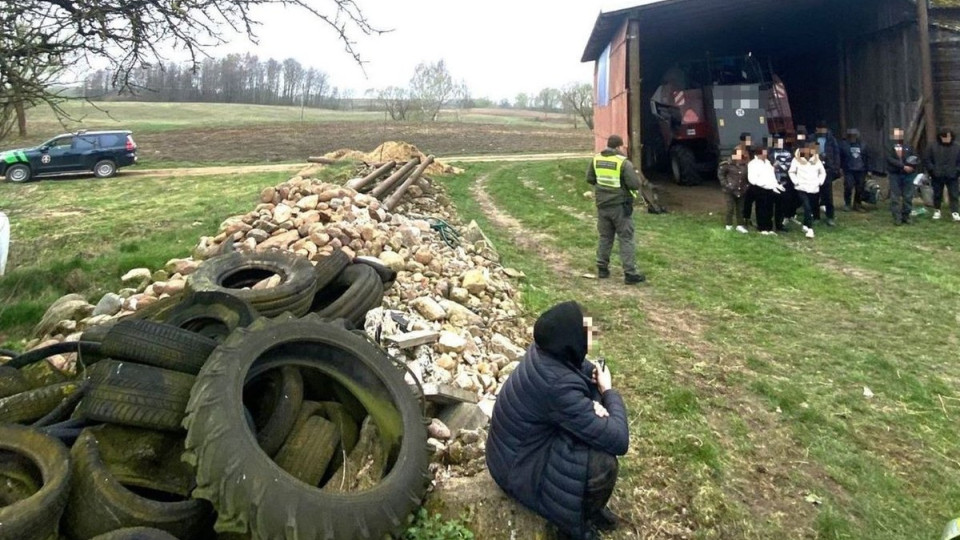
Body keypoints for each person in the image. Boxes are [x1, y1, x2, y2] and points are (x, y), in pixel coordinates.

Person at [487, 301, 629, 540]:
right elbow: (619, 440)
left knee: (590, 430)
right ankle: (577, 524)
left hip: (513, 450)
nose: (592, 337)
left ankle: (586, 510)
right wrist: (608, 393)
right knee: (603, 463)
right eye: (587, 332)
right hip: (518, 470)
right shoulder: (558, 385)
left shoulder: (545, 350)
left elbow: (580, 369)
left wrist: (590, 399)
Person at [586, 135, 645, 284]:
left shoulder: (596, 159)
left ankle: (602, 268)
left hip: (602, 206)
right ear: (619, 147)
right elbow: (633, 184)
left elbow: (590, 179)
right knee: (626, 238)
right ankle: (630, 273)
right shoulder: (623, 163)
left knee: (605, 237)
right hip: (620, 206)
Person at [789, 142, 827, 238]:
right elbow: (791, 172)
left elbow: (822, 173)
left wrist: (819, 182)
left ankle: (806, 224)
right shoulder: (796, 160)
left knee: (811, 208)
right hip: (801, 187)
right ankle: (810, 229)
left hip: (814, 188)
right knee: (807, 207)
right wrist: (796, 182)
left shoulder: (816, 160)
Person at [924, 127, 960, 221]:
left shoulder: (957, 147)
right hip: (937, 175)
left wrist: (957, 171)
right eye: (944, 137)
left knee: (954, 194)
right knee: (937, 194)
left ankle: (955, 212)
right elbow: (927, 159)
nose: (946, 139)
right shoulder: (932, 147)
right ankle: (937, 210)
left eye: (948, 137)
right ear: (940, 137)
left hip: (952, 175)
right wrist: (932, 170)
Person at [747, 146, 783, 235]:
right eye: (764, 153)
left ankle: (769, 227)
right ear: (759, 154)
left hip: (770, 188)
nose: (765, 155)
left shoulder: (767, 163)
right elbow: (752, 178)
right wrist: (762, 184)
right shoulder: (753, 163)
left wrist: (775, 185)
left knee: (769, 209)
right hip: (760, 188)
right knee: (761, 208)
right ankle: (762, 228)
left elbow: (771, 175)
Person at [887, 127, 917, 225]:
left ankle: (906, 216)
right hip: (895, 174)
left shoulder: (908, 146)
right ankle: (897, 218)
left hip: (908, 175)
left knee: (908, 196)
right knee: (895, 197)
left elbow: (915, 157)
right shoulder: (889, 146)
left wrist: (911, 166)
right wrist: (903, 166)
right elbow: (890, 159)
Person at [814, 121, 842, 226]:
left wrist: (835, 167)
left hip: (827, 169)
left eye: (823, 128)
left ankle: (830, 217)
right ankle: (816, 216)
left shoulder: (831, 139)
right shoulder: (812, 138)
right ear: (816, 129)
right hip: (814, 169)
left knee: (828, 195)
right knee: (815, 195)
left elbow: (836, 153)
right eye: (820, 128)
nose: (822, 131)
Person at [718, 147, 750, 233]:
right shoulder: (727, 164)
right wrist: (726, 185)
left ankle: (740, 225)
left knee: (740, 208)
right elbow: (721, 175)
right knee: (730, 207)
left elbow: (747, 176)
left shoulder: (745, 164)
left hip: (741, 190)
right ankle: (729, 224)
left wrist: (747, 186)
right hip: (730, 190)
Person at [770, 134, 795, 231]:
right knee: (768, 205)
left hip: (783, 183)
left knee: (780, 205)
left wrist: (778, 166)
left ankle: (779, 225)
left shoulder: (787, 153)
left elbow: (788, 168)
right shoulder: (769, 153)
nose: (778, 144)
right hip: (770, 182)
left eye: (780, 141)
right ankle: (768, 224)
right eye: (776, 141)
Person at [841, 128, 870, 212]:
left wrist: (869, 169)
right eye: (851, 136)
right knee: (848, 186)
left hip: (861, 170)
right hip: (849, 169)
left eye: (854, 135)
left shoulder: (863, 145)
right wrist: (840, 168)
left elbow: (867, 158)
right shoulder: (844, 145)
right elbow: (841, 157)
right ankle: (847, 204)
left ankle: (857, 204)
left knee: (860, 188)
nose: (852, 137)